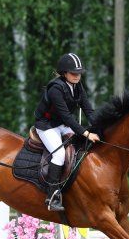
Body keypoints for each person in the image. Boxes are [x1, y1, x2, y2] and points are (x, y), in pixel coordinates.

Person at [33, 53, 100, 211]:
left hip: (62, 124)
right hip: (47, 125)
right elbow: (68, 117)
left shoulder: (77, 86)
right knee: (60, 154)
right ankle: (52, 196)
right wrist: (87, 133)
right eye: (73, 73)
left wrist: (99, 126)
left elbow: (88, 109)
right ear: (64, 73)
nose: (77, 76)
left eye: (79, 73)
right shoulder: (55, 89)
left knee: (79, 148)